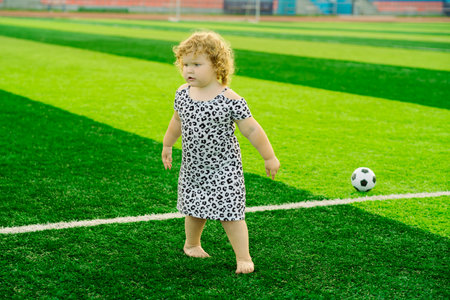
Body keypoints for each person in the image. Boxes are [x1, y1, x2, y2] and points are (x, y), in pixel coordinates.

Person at [162, 31, 280, 274]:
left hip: (224, 168)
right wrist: (167, 144)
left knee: (231, 213)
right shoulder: (183, 93)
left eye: (196, 64)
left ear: (217, 66)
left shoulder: (230, 99)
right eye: (185, 64)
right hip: (194, 166)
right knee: (194, 208)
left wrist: (269, 156)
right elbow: (177, 121)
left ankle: (243, 257)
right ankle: (192, 244)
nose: (188, 70)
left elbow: (252, 130)